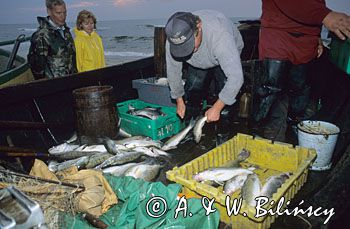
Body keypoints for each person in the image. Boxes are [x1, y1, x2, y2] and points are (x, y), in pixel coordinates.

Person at [255, 0, 350, 142]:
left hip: (306, 42)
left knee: (300, 92)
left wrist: (317, 36)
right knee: (270, 91)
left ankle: (294, 139)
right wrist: (325, 15)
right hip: (278, 36)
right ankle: (258, 137)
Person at [165, 10, 244, 123]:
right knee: (192, 92)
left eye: (189, 44)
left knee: (225, 99)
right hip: (198, 60)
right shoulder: (174, 38)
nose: (188, 50)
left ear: (199, 27)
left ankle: (224, 130)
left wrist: (217, 108)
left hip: (224, 54)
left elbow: (236, 78)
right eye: (182, 48)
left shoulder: (221, 36)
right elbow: (173, 71)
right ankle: (191, 124)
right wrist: (179, 100)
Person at [27, 0, 77, 79]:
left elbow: (72, 60)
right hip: (54, 86)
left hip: (70, 83)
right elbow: (38, 70)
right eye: (58, 13)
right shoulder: (41, 36)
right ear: (49, 12)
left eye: (64, 12)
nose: (63, 16)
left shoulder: (66, 32)